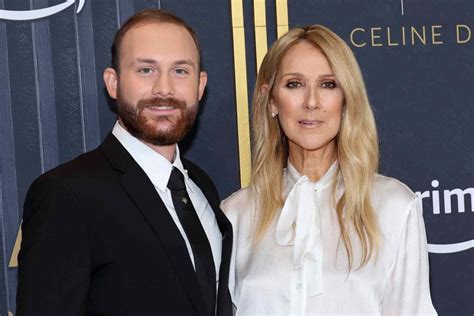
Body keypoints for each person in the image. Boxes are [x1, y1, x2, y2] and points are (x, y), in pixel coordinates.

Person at [17, 9, 232, 316]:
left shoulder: (202, 188)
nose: (164, 88)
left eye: (180, 71)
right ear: (113, 83)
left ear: (200, 86)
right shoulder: (66, 195)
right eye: (146, 70)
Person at [221, 25, 437, 315]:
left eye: (328, 85)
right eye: (294, 84)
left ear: (347, 99)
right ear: (271, 99)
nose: (312, 102)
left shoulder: (394, 206)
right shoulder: (235, 215)